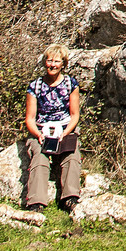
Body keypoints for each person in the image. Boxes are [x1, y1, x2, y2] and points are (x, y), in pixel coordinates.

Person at [23, 44, 81, 211]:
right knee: (39, 159)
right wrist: (38, 134)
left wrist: (65, 132)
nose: (52, 65)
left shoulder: (71, 84)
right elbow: (30, 118)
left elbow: (75, 115)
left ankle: (70, 198)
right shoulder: (35, 86)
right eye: (49, 61)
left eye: (57, 61)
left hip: (64, 128)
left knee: (71, 155)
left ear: (63, 63)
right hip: (41, 130)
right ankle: (36, 202)